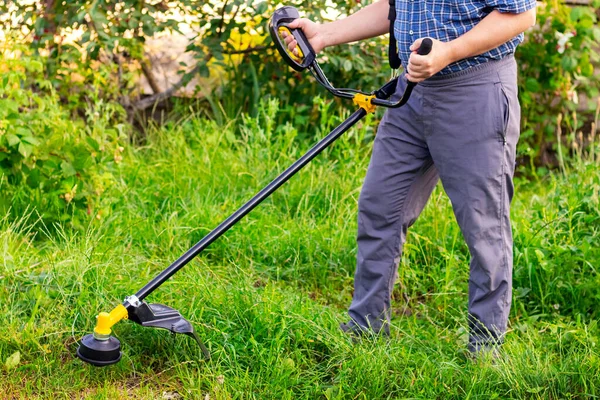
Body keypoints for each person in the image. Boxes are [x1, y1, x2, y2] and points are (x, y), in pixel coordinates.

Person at [283, 0, 537, 354]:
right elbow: (394, 5)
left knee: (484, 226)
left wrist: (448, 52)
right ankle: (365, 331)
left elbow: (521, 14)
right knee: (380, 207)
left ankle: (484, 349)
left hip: (474, 90)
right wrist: (324, 34)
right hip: (412, 93)